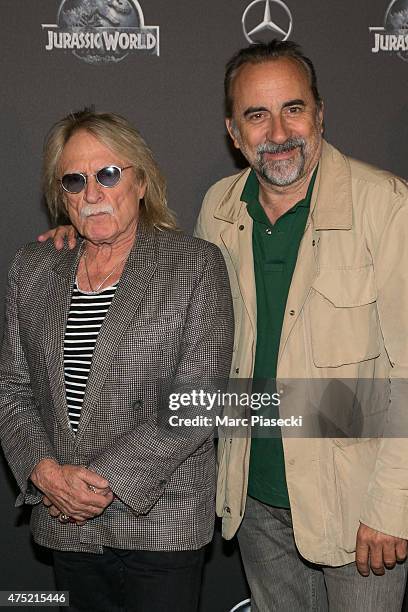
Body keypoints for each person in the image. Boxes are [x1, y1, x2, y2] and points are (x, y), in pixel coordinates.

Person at [37, 42, 408, 610]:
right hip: (253, 502)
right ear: (234, 133)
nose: (278, 130)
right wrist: (77, 237)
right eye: (257, 115)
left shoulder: (384, 206)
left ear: (321, 114)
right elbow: (175, 307)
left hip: (356, 503)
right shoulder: (220, 207)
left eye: (294, 108)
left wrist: (393, 506)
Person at [0, 109, 233, 612]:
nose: (92, 193)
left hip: (162, 523)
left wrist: (102, 482)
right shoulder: (33, 268)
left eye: (108, 174)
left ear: (142, 182)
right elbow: (12, 390)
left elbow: (200, 401)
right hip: (66, 522)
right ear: (60, 194)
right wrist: (44, 474)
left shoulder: (193, 264)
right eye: (74, 180)